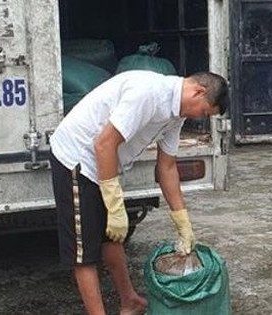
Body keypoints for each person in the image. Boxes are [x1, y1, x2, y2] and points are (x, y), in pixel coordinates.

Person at [49, 70, 229, 315]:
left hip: (104, 162)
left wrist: (182, 221)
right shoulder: (149, 93)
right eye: (205, 112)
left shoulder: (177, 115)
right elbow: (103, 144)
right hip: (77, 158)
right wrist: (114, 204)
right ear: (199, 92)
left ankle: (129, 301)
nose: (201, 118)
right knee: (84, 252)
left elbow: (166, 167)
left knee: (113, 236)